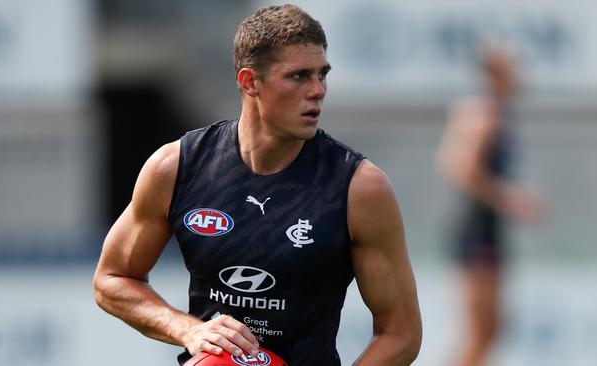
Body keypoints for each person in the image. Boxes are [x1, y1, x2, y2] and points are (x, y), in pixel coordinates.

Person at [94, 5, 422, 365]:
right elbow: (113, 279)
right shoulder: (176, 167)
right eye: (299, 77)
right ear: (249, 82)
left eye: (322, 75)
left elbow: (400, 333)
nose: (318, 91)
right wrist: (188, 329)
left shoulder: (359, 188)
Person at [436, 47, 544, 366]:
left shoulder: (497, 114)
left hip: (490, 231)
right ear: (496, 75)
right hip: (476, 230)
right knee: (480, 330)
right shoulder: (481, 115)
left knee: (492, 330)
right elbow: (459, 167)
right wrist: (509, 199)